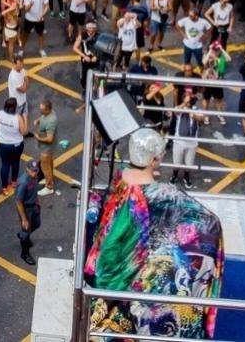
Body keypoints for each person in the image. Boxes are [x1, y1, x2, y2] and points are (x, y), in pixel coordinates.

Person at [84, 128, 223, 340]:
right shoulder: (161, 196)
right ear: (154, 160)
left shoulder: (118, 183)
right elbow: (207, 222)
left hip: (110, 281)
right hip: (137, 286)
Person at [0, 98, 26, 195]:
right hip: (16, 145)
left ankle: (4, 188)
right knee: (15, 162)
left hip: (3, 144)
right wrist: (24, 119)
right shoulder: (18, 118)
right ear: (15, 107)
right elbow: (23, 132)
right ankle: (14, 182)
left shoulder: (0, 114)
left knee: (5, 164)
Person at [13, 159, 42, 266]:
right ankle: (24, 254)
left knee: (37, 224)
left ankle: (23, 234)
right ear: (27, 169)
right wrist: (24, 218)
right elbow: (18, 201)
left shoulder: (34, 177)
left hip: (34, 205)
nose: (35, 173)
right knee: (26, 232)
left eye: (36, 170)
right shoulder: (23, 182)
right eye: (32, 171)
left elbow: (34, 189)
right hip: (26, 209)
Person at [33, 100, 59, 197]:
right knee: (49, 163)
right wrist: (38, 120)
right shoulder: (50, 113)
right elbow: (42, 117)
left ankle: (49, 187)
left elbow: (49, 139)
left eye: (42, 110)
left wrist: (38, 138)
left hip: (46, 149)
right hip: (46, 148)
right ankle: (49, 179)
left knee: (45, 167)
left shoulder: (51, 122)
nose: (40, 111)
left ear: (48, 110)